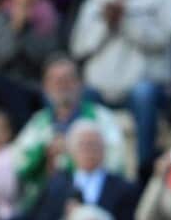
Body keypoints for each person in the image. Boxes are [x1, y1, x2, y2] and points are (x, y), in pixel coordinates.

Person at [69, 0, 171, 175]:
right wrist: (105, 23)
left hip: (144, 88)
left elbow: (165, 37)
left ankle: (144, 169)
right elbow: (78, 47)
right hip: (99, 89)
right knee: (80, 97)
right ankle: (77, 170)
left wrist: (126, 21)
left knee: (144, 94)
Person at [13, 55, 127, 208]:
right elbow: (19, 165)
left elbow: (116, 163)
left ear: (80, 83)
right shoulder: (38, 123)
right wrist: (45, 151)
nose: (62, 86)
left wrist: (73, 152)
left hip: (92, 200)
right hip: (46, 202)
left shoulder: (101, 118)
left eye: (68, 79)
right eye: (56, 81)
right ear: (46, 87)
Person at [24, 120, 139, 220]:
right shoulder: (56, 186)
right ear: (71, 150)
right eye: (83, 145)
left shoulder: (124, 189)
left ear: (104, 149)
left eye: (94, 145)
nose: (89, 150)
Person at [0, 0, 61, 130]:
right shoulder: (0, 17)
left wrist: (27, 29)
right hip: (3, 84)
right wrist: (15, 29)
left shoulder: (50, 17)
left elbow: (46, 57)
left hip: (36, 85)